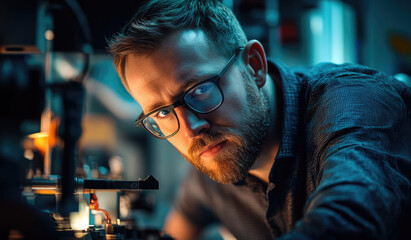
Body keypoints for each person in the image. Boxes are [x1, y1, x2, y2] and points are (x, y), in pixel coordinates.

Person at [107, 0, 411, 239]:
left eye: (200, 90)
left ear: (254, 65)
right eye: (161, 112)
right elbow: (180, 225)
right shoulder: (214, 155)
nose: (191, 129)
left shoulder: (352, 101)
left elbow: (351, 214)